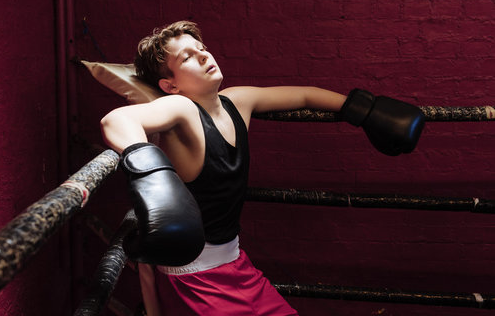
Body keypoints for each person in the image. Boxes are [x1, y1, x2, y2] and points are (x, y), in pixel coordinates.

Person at [100, 21, 424, 316]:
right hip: (195, 279)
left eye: (201, 48)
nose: (201, 56)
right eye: (186, 58)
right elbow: (117, 120)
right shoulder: (181, 107)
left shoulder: (237, 101)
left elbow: (304, 95)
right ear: (170, 85)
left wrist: (363, 110)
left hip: (237, 265)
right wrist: (151, 174)